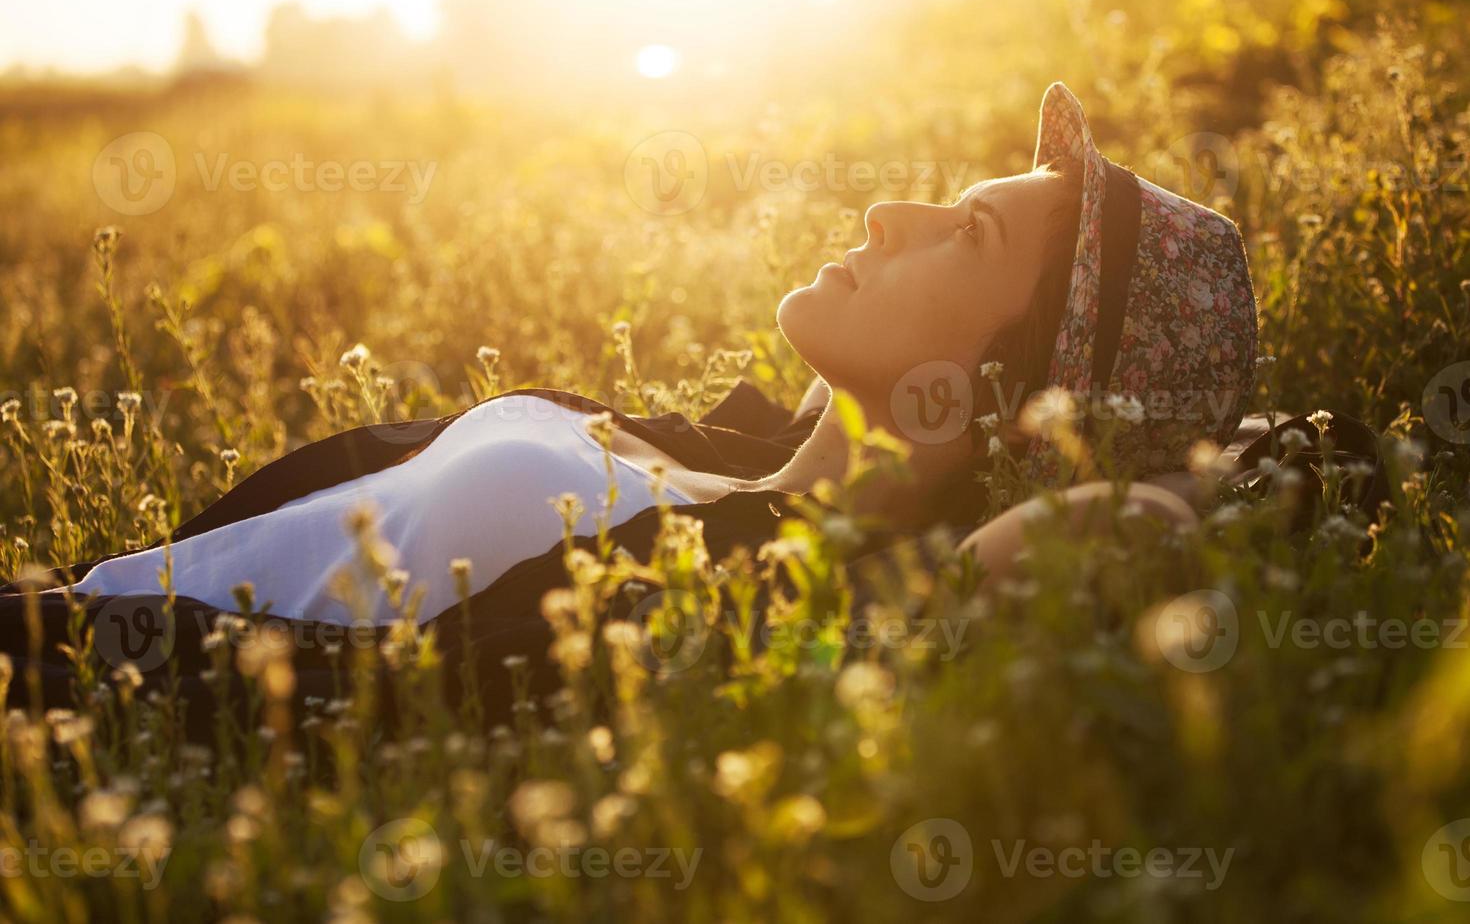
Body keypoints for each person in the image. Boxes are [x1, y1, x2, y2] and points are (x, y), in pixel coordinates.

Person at [1, 82, 1256, 725]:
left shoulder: (762, 606)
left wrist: (1173, 484)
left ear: (1005, 391)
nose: (893, 213)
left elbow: (1182, 503)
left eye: (967, 233)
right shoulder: (727, 459)